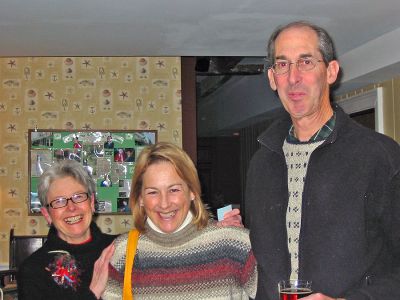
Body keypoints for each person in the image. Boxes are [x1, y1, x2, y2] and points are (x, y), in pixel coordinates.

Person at [245, 20, 400, 300]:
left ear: (330, 71)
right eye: (282, 65)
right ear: (272, 78)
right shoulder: (261, 163)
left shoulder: (380, 157)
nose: (293, 77)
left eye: (305, 62)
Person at [102, 142, 257, 299]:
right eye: (153, 192)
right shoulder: (121, 253)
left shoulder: (233, 244)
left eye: (174, 190)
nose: (164, 203)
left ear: (192, 192)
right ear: (140, 198)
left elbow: (277, 290)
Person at [17, 160, 115, 300]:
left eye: (78, 197)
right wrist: (93, 292)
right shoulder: (33, 270)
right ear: (47, 214)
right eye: (59, 201)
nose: (71, 207)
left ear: (92, 203)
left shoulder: (120, 248)